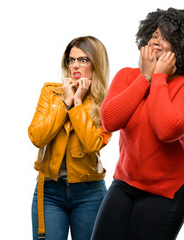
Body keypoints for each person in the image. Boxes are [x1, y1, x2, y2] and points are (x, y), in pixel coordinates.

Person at [90, 8, 184, 240]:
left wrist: (158, 78)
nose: (157, 41)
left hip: (168, 188)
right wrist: (144, 77)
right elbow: (110, 120)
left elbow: (167, 130)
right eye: (154, 35)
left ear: (182, 47)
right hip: (126, 181)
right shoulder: (127, 76)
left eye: (166, 38)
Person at [28, 36, 111, 240]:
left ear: (96, 63)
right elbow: (37, 137)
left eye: (83, 60)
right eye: (71, 60)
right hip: (49, 191)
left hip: (90, 192)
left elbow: (92, 144)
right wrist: (66, 102)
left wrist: (78, 103)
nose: (75, 65)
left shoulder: (106, 102)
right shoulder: (50, 93)